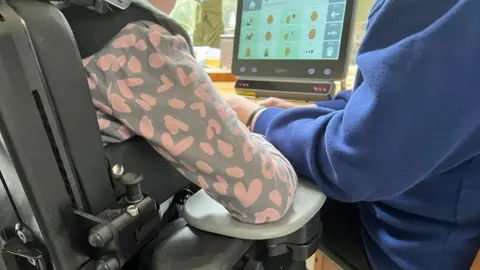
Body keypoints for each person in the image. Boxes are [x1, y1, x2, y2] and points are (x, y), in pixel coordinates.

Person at [226, 0, 480, 269]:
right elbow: (380, 95)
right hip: (399, 201)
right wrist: (315, 109)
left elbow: (356, 160)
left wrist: (258, 119)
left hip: (406, 245)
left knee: (258, 191)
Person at [82, 0, 297, 225]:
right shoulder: (134, 43)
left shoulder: (68, 23)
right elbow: (266, 197)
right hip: (147, 238)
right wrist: (256, 124)